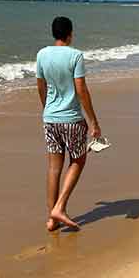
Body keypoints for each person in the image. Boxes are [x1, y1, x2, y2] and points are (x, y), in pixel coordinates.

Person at [36, 16, 101, 231]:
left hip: (50, 118)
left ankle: (51, 219)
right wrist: (93, 122)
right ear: (70, 34)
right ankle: (60, 207)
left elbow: (40, 85)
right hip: (71, 118)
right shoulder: (75, 56)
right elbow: (81, 89)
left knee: (54, 168)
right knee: (79, 160)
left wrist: (47, 108)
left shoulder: (42, 54)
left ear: (54, 34)